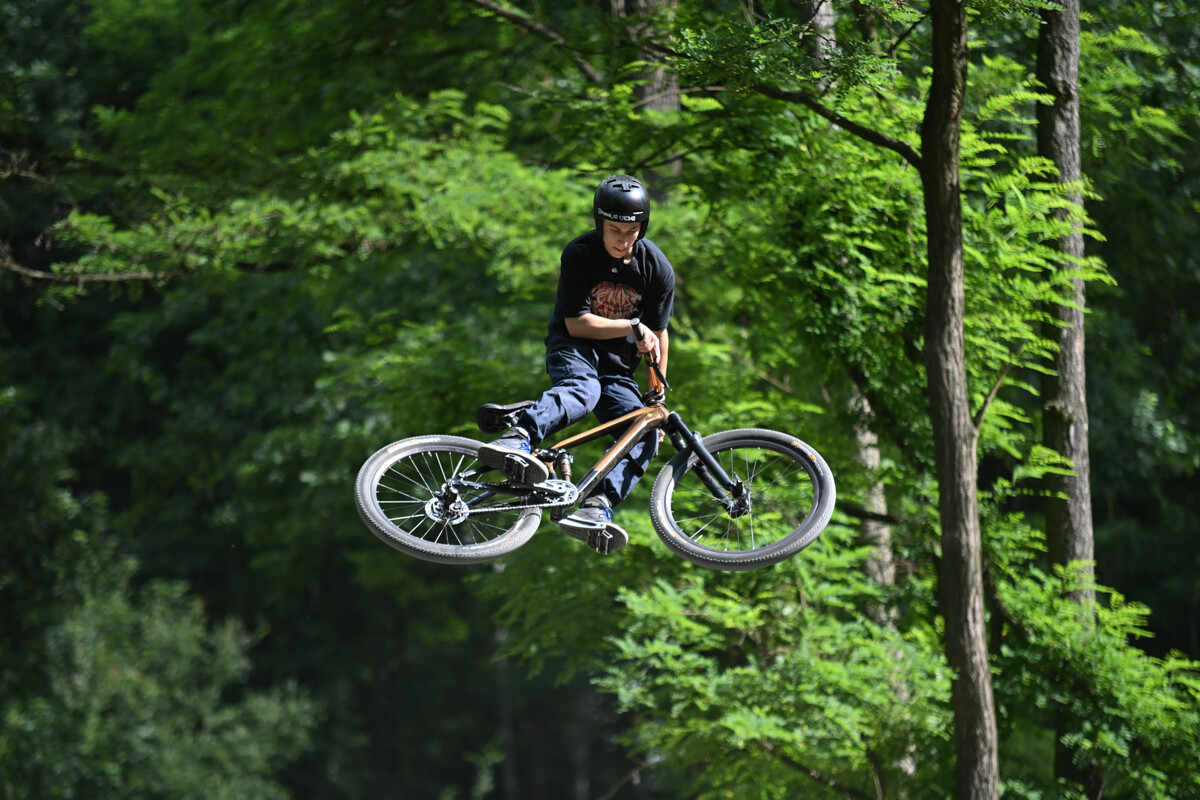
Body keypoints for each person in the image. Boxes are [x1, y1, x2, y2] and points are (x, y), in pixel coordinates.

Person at [479, 174, 675, 555]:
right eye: (614, 230)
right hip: (574, 348)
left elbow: (660, 332)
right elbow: (575, 322)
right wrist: (632, 326)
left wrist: (657, 393)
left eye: (631, 231)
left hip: (619, 368)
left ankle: (595, 507)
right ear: (600, 224)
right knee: (583, 391)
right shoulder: (580, 254)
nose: (622, 239)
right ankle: (517, 438)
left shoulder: (657, 268)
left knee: (644, 432)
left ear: (643, 227)